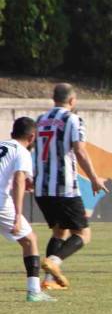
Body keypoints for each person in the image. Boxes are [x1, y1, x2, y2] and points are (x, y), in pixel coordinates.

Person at [34, 83, 108, 289]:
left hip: (41, 188)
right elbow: (80, 150)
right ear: (72, 100)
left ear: (53, 99)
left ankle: (48, 282)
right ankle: (53, 262)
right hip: (64, 188)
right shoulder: (73, 120)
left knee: (59, 232)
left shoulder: (40, 120)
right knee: (83, 234)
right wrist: (94, 178)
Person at [0, 117, 56, 302]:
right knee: (30, 240)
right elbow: (18, 180)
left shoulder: (3, 145)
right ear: (32, 137)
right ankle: (34, 291)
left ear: (12, 133)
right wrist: (17, 215)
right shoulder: (22, 151)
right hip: (1, 202)